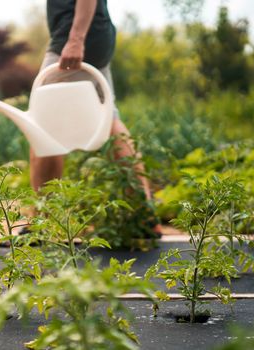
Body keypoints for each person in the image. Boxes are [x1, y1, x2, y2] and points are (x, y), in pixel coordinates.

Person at [30, 0, 161, 234]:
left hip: (76, 37)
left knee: (41, 127)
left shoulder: (75, 39)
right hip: (95, 35)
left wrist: (76, 40)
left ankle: (43, 222)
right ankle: (143, 213)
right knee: (107, 119)